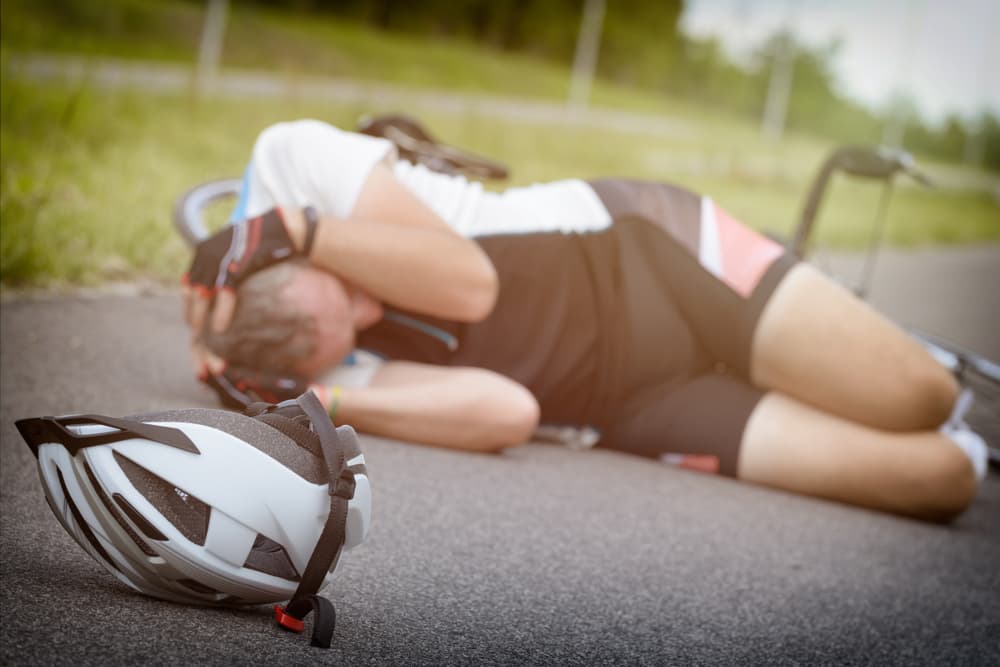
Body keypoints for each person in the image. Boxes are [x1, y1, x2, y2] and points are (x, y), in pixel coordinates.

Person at [184, 119, 987, 522]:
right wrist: (320, 400)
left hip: (653, 257)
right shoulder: (316, 357)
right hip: (632, 406)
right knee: (947, 477)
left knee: (919, 396)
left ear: (295, 252)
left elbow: (470, 284)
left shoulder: (294, 162)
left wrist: (303, 229)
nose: (370, 314)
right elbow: (510, 411)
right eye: (348, 336)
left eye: (349, 291)